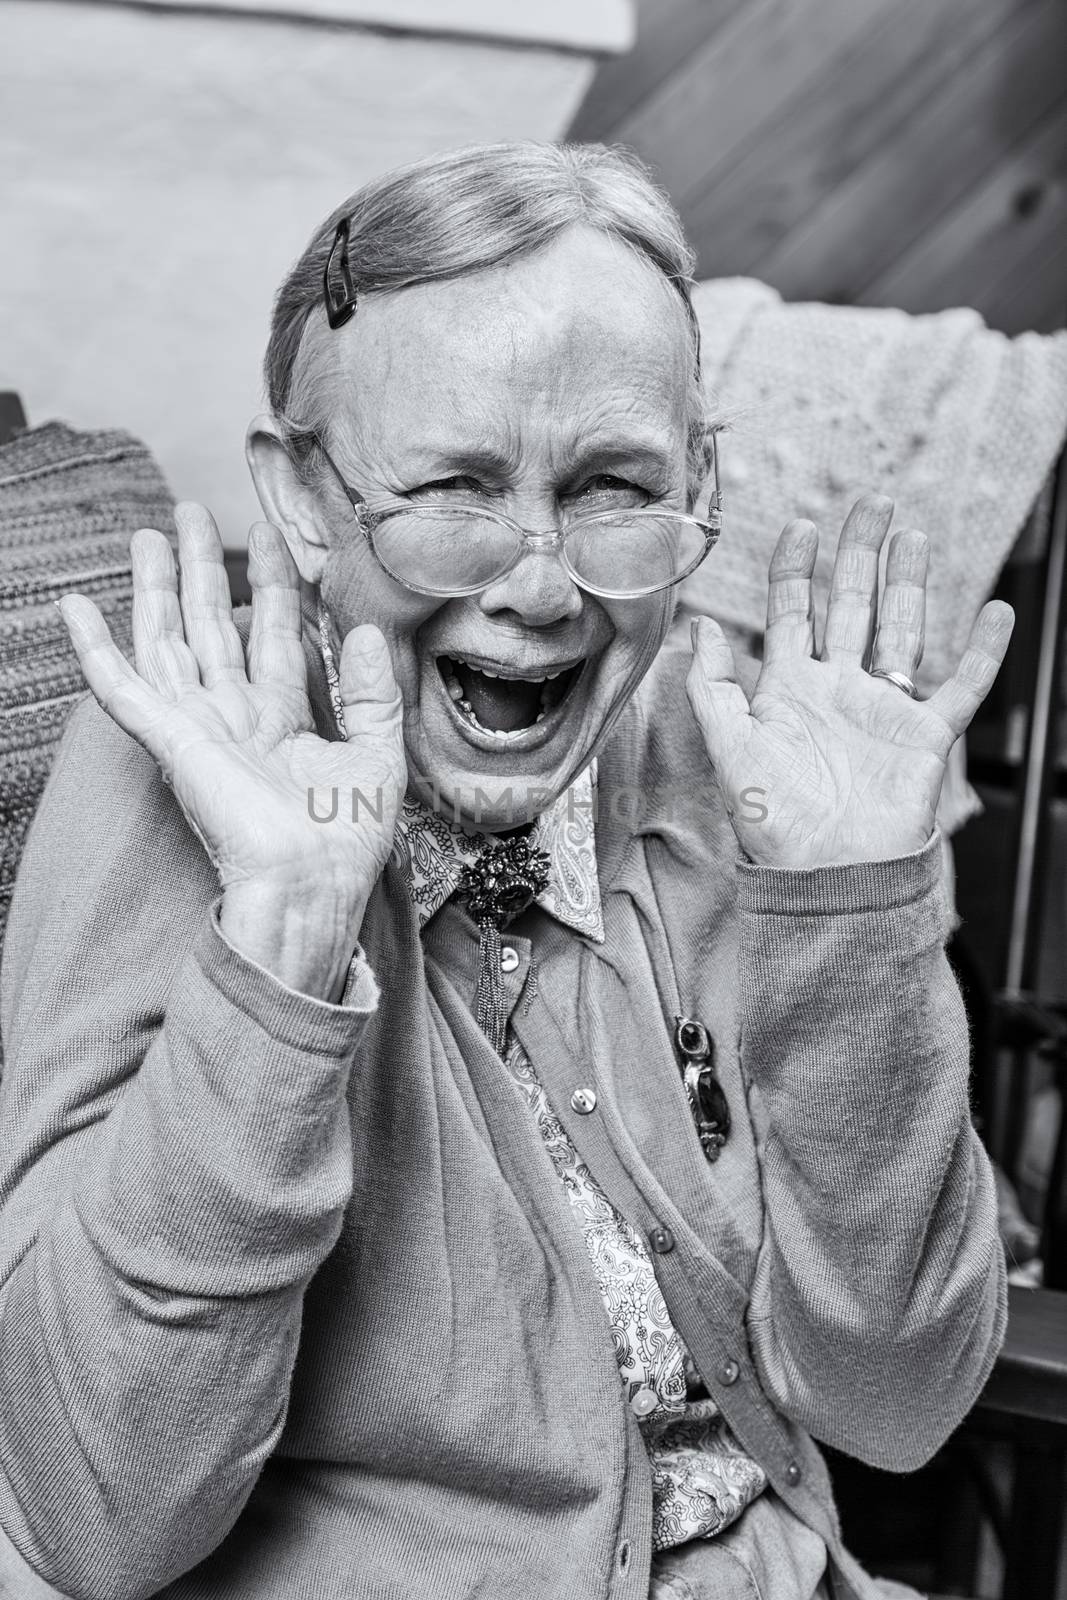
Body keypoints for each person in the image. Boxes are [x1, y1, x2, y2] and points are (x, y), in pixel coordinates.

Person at [0, 142, 1012, 1600]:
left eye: (613, 487)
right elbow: (91, 1512)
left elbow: (896, 1407)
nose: (538, 586)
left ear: (699, 485)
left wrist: (852, 917)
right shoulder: (182, 762)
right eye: (453, 485)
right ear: (299, 500)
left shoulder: (739, 754)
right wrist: (278, 948)